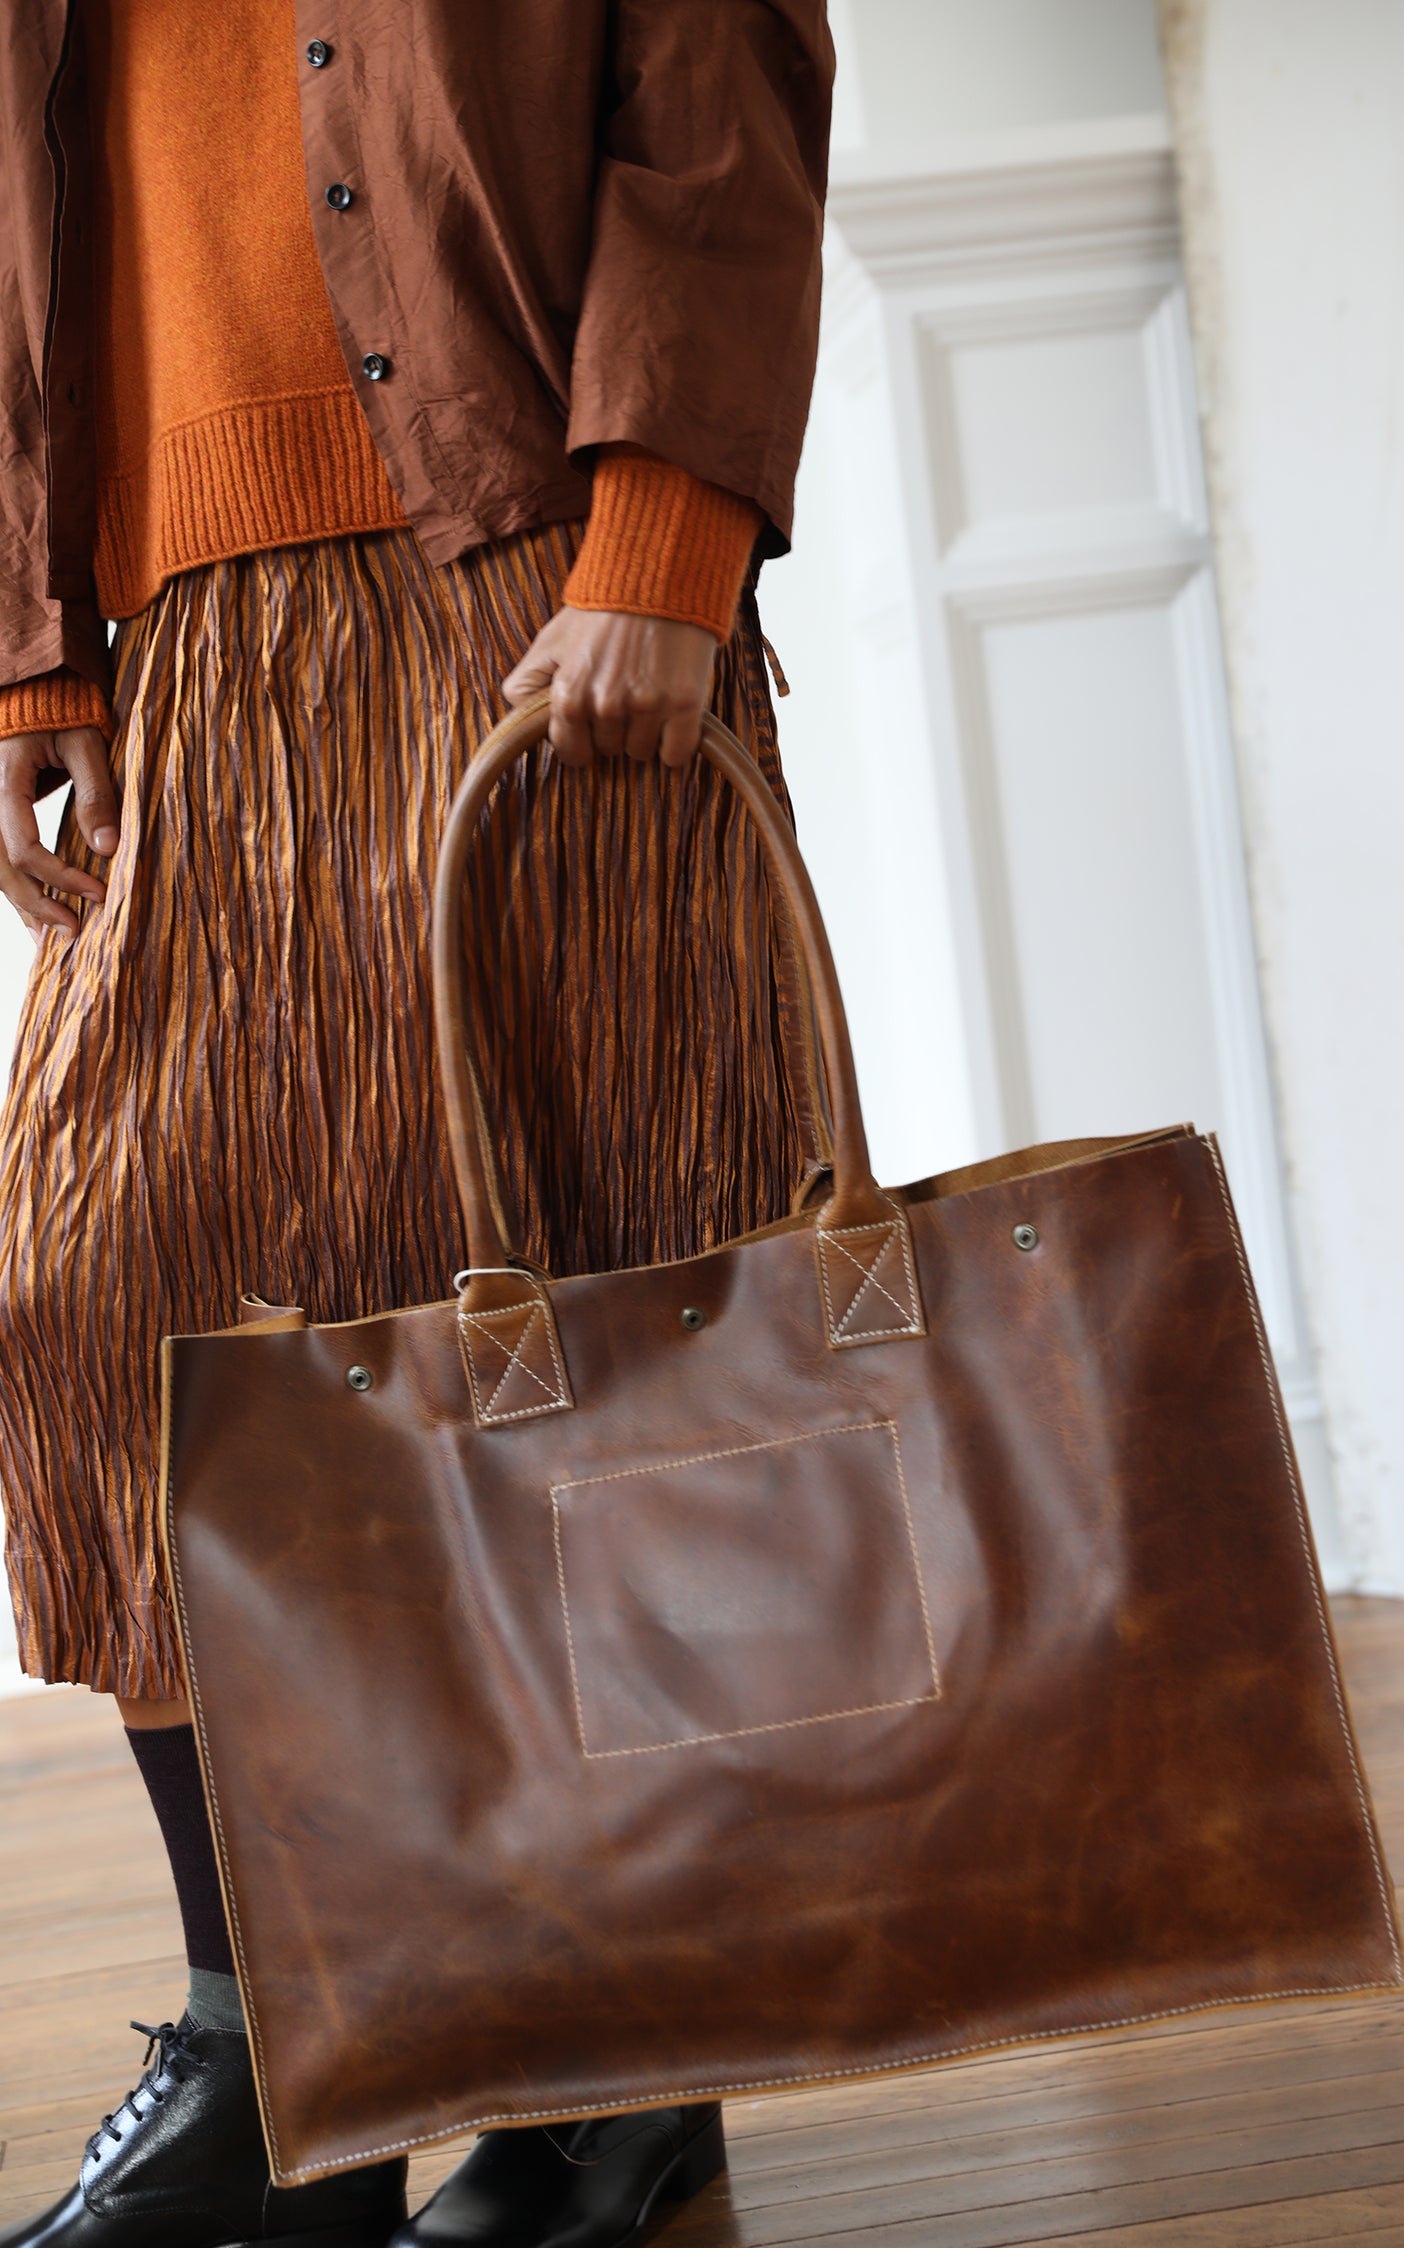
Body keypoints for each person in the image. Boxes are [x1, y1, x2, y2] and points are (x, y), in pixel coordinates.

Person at [0, 3, 832, 2243]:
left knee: (599, 1311)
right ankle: (277, 2046)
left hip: (540, 602)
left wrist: (668, 544)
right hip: (178, 638)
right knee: (116, 1314)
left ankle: (623, 2065)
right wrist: (24, 643)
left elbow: (712, 96)